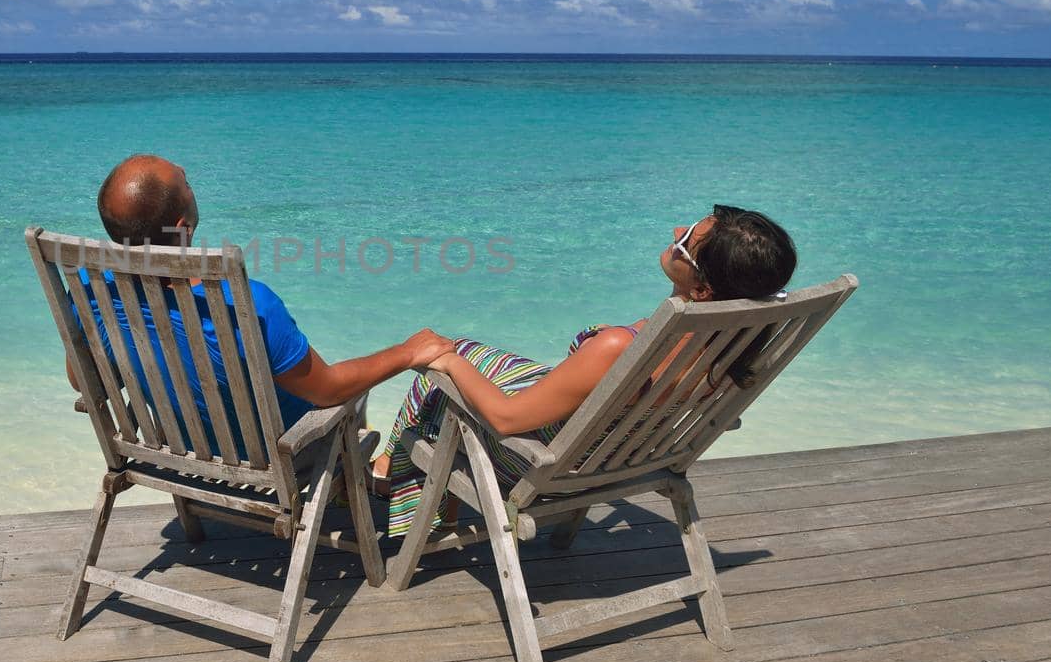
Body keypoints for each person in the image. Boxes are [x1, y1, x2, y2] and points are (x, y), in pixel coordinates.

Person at [373, 204, 798, 536]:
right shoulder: (732, 350)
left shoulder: (620, 350)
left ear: (703, 290)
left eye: (684, 240)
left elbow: (506, 420)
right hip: (616, 455)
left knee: (441, 365)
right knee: (460, 350)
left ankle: (397, 483)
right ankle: (391, 468)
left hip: (545, 463)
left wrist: (442, 362)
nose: (674, 233)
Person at [75, 154, 453, 451]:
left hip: (185, 447)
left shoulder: (95, 297)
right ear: (182, 228)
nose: (186, 172)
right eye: (186, 182)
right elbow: (328, 389)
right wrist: (406, 352)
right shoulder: (246, 306)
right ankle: (345, 484)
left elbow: (81, 379)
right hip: (281, 450)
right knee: (354, 394)